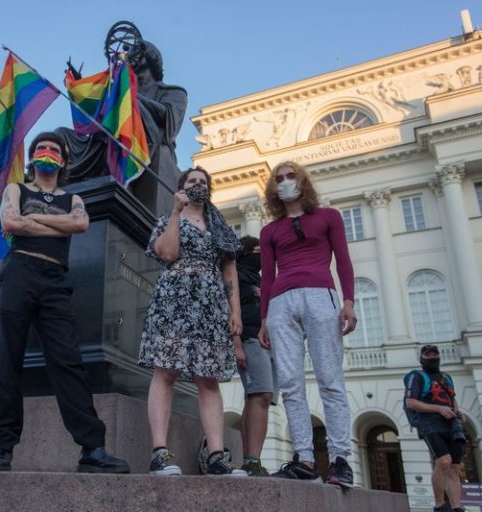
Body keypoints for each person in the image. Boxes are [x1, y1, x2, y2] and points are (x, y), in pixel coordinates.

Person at [0, 131, 129, 474]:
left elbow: (79, 223)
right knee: (7, 358)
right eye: (41, 148)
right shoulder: (16, 190)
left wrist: (32, 221)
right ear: (33, 157)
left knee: (68, 361)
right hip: (19, 272)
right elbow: (9, 222)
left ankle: (92, 449)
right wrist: (55, 226)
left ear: (63, 160)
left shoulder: (72, 198)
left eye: (54, 149)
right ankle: (2, 447)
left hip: (55, 280)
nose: (47, 153)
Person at [139, 166, 246, 476]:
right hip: (174, 301)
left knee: (208, 379)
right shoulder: (167, 220)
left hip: (211, 307)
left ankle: (216, 456)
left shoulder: (220, 228)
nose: (198, 185)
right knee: (166, 371)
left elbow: (230, 274)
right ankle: (159, 452)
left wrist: (235, 312)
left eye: (203, 181)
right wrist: (176, 212)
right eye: (192, 181)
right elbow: (167, 253)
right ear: (181, 188)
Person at [257, 161, 357, 485]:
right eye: (279, 178)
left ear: (303, 181)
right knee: (289, 382)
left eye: (291, 176)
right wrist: (263, 320)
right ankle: (305, 458)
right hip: (281, 303)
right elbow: (267, 277)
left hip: (320, 296)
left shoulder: (328, 217)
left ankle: (340, 458)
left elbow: (343, 260)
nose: (285, 182)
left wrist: (349, 302)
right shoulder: (270, 230)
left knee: (330, 379)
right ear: (274, 188)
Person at [58, 38, 187, 216]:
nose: (127, 54)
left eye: (133, 50)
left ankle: (122, 170)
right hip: (102, 142)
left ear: (149, 56)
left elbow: (170, 123)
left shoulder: (174, 92)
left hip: (145, 144)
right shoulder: (118, 89)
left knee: (127, 106)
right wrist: (80, 88)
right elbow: (97, 116)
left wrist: (129, 97)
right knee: (60, 137)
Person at [234, 235, 278, 477]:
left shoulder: (260, 279)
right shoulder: (237, 274)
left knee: (261, 398)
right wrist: (236, 343)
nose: (263, 257)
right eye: (259, 251)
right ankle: (251, 460)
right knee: (259, 395)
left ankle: (253, 459)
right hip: (249, 339)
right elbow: (231, 309)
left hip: (267, 344)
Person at [405, 345, 467, 512]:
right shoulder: (416, 376)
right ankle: (439, 505)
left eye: (435, 354)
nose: (432, 358)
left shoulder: (446, 377)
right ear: (422, 358)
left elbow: (452, 398)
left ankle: (456, 507)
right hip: (430, 423)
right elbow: (410, 402)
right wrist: (438, 409)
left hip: (451, 423)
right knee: (444, 461)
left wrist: (457, 413)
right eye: (428, 355)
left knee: (454, 467)